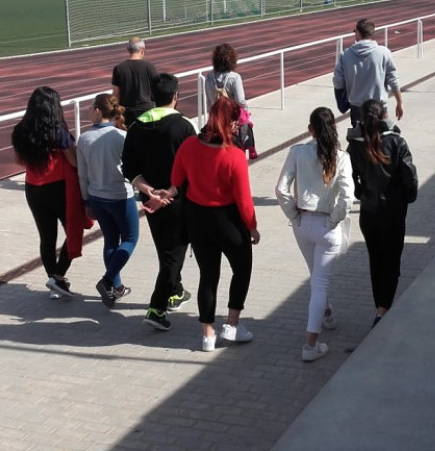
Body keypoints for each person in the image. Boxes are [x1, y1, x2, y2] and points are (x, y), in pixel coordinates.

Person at [163, 97, 260, 351]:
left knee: (208, 275)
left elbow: (176, 178)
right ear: (231, 124)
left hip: (197, 218)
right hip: (227, 219)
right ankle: (232, 324)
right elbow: (244, 200)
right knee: (242, 268)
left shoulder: (189, 146)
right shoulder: (235, 156)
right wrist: (252, 226)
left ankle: (207, 334)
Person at [275, 107, 354, 362]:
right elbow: (347, 195)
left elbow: (281, 189)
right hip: (327, 224)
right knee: (319, 284)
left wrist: (293, 215)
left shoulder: (298, 152)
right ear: (335, 128)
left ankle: (328, 314)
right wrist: (334, 219)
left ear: (311, 129)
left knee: (315, 276)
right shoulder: (341, 156)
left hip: (303, 223)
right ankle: (310, 344)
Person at [122, 73, 197, 331]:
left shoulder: (135, 127)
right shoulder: (184, 127)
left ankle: (175, 290)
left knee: (165, 251)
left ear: (153, 97)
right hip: (177, 201)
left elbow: (129, 168)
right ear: (176, 96)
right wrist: (170, 193)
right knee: (173, 255)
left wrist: (150, 192)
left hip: (150, 202)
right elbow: (191, 169)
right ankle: (156, 308)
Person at [11, 86, 90, 299]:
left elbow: (20, 160)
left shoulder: (20, 130)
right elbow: (73, 160)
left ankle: (54, 279)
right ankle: (57, 276)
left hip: (33, 188)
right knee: (73, 230)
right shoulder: (58, 130)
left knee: (47, 237)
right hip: (58, 187)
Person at [346, 99, 418, 327]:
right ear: (384, 115)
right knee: (392, 261)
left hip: (368, 212)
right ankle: (383, 309)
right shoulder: (396, 142)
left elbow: (350, 175)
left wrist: (360, 192)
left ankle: (380, 305)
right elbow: (409, 176)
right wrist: (407, 197)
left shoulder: (355, 144)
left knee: (375, 260)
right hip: (392, 212)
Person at [76, 93, 137, 308]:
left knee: (111, 240)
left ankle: (116, 288)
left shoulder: (83, 139)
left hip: (97, 196)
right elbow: (132, 168)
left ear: (97, 110)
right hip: (121, 196)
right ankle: (108, 280)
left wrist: (86, 201)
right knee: (130, 239)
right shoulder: (122, 137)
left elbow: (82, 175)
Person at [333, 18, 404, 127]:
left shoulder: (345, 55)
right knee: (380, 140)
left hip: (357, 107)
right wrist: (399, 103)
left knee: (360, 141)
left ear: (358, 33)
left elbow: (338, 81)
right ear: (372, 33)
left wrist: (342, 101)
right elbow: (393, 80)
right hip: (379, 107)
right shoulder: (383, 52)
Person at [203, 43, 257, 159]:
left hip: (216, 121)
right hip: (233, 123)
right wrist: (245, 112)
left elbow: (209, 101)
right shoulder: (235, 77)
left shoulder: (208, 78)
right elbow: (240, 100)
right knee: (236, 152)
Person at [111, 37, 158, 128]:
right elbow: (156, 90)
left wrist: (115, 114)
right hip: (147, 112)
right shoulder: (149, 67)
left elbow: (116, 94)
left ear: (128, 49)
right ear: (142, 50)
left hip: (127, 113)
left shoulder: (119, 68)